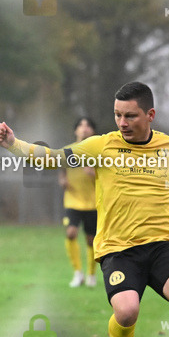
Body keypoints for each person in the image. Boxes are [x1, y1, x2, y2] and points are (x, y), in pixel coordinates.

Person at [0, 81, 169, 337]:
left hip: (161, 244)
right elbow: (53, 158)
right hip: (117, 249)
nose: (122, 123)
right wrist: (14, 144)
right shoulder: (102, 146)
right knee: (127, 313)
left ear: (150, 115)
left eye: (130, 116)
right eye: (117, 115)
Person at [59, 117, 98, 287]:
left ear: (93, 131)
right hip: (72, 201)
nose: (84, 128)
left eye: (88, 125)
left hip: (93, 203)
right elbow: (60, 169)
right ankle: (77, 273)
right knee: (71, 233)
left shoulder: (98, 153)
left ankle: (91, 275)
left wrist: (94, 173)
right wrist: (62, 180)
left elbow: (110, 178)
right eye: (81, 125)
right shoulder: (67, 151)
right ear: (75, 131)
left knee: (91, 240)